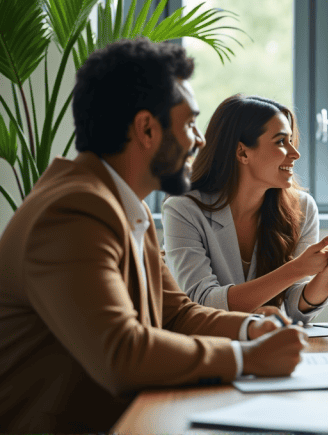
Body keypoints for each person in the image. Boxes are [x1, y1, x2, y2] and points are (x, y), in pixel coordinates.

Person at [0, 39, 306, 432]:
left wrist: (250, 328)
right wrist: (248, 358)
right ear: (146, 128)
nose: (199, 141)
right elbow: (121, 354)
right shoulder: (72, 211)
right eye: (190, 123)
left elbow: (175, 314)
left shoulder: (127, 206)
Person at [162, 95, 328, 322]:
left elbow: (295, 311)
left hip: (270, 344)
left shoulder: (303, 208)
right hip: (211, 347)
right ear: (242, 152)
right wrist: (296, 269)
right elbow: (203, 304)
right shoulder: (182, 209)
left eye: (292, 140)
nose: (295, 153)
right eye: (281, 141)